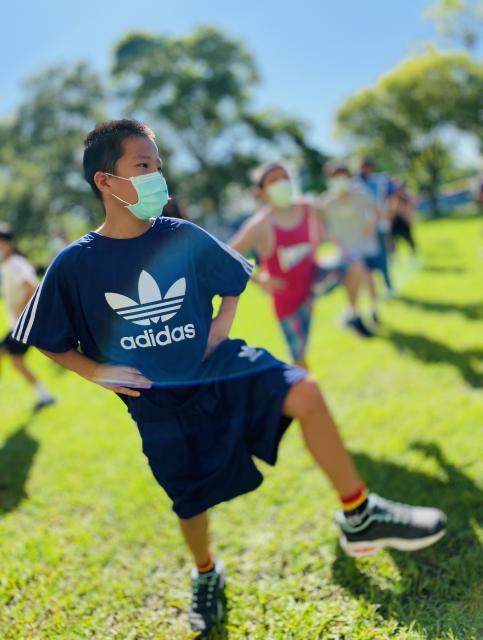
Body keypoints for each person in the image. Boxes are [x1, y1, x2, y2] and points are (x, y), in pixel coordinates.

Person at [14, 120, 446, 635]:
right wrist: (96, 371)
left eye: (158, 165)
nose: (157, 176)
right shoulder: (74, 264)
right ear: (106, 181)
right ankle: (206, 573)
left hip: (219, 366)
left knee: (304, 391)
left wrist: (222, 322)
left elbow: (235, 275)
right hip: (159, 401)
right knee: (189, 500)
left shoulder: (180, 234)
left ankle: (360, 514)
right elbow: (44, 336)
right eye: (143, 165)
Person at [229, 162, 373, 368]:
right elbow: (227, 255)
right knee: (301, 362)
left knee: (354, 265)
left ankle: (352, 315)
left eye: (285, 178)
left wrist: (336, 241)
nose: (281, 184)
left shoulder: (307, 207)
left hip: (314, 279)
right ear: (262, 192)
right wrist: (259, 279)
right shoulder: (260, 224)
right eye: (273, 181)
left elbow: (331, 212)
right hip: (288, 301)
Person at [0, 225, 56, 411]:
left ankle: (45, 396)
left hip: (23, 323)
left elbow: (31, 286)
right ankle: (45, 396)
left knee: (11, 358)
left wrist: (20, 309)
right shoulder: (9, 263)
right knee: (16, 362)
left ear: (7, 243)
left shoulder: (15, 263)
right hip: (20, 323)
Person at [317, 163, 381, 325]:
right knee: (350, 280)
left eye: (343, 176)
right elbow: (319, 222)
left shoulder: (360, 194)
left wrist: (371, 223)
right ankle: (353, 310)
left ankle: (373, 308)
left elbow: (375, 211)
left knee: (368, 277)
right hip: (344, 249)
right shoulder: (326, 201)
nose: (339, 180)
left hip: (365, 245)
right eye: (335, 177)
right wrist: (330, 237)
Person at [354, 158, 397, 293]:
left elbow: (391, 197)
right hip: (363, 227)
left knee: (382, 256)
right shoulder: (355, 183)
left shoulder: (380, 181)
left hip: (379, 224)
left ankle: (388, 285)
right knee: (365, 260)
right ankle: (371, 288)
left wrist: (389, 213)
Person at [389, 183, 417, 254]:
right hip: (395, 223)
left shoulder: (406, 199)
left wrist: (409, 219)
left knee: (410, 241)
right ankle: (393, 255)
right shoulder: (394, 199)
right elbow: (392, 213)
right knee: (393, 243)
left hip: (404, 223)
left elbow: (408, 212)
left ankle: (413, 255)